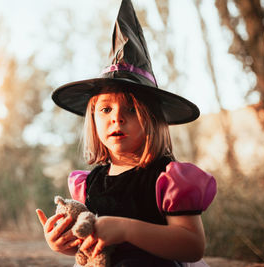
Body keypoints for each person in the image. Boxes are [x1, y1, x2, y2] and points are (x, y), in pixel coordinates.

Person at [36, 0, 217, 266]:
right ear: (93, 120)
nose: (117, 117)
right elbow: (89, 246)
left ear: (153, 119)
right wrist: (62, 244)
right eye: (106, 109)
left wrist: (125, 229)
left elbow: (192, 246)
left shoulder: (167, 180)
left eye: (131, 109)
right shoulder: (88, 185)